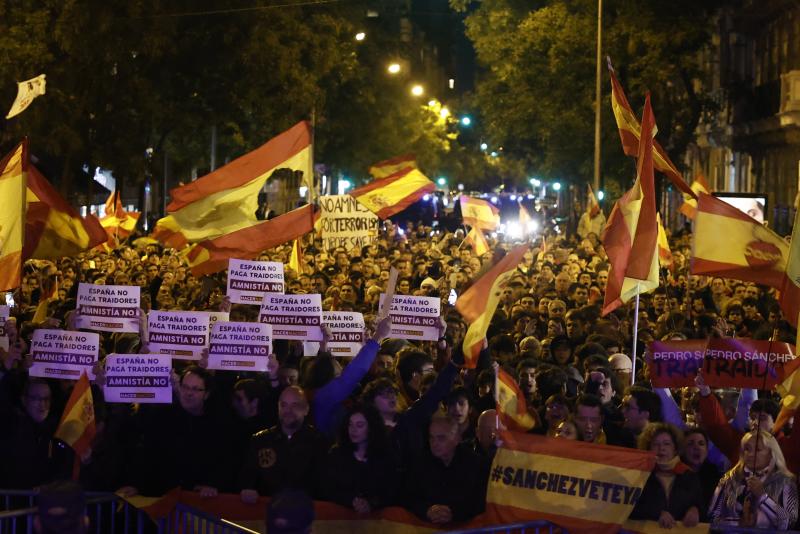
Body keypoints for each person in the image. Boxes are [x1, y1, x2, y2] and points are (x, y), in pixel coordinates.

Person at [239, 386, 329, 501]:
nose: (288, 411)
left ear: (306, 409)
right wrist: (247, 490)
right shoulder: (260, 440)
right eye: (284, 405)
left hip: (305, 509)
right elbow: (247, 478)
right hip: (266, 508)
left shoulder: (319, 442)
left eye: (295, 405)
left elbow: (325, 485)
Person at [404, 415, 487, 525]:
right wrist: (427, 510)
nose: (434, 443)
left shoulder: (475, 463)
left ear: (457, 439)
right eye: (431, 437)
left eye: (441, 438)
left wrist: (453, 513)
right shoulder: (421, 462)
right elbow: (409, 496)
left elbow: (480, 501)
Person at [709, 430, 798, 529]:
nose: (750, 454)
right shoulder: (729, 479)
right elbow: (713, 517)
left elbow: (790, 522)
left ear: (771, 453)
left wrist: (763, 497)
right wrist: (739, 523)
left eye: (757, 450)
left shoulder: (785, 481)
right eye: (747, 449)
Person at [323, 405, 398, 512]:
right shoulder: (337, 454)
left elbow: (390, 491)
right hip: (342, 512)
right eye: (350, 424)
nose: (353, 430)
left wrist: (371, 503)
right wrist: (352, 501)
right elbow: (328, 488)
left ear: (371, 428)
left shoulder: (385, 456)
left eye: (359, 425)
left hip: (378, 515)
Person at [630, 423, 704, 528]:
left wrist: (695, 510)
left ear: (675, 449)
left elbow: (701, 506)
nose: (661, 448)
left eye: (667, 444)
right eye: (656, 444)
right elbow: (630, 508)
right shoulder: (640, 475)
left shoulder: (689, 475)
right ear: (648, 448)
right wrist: (656, 513)